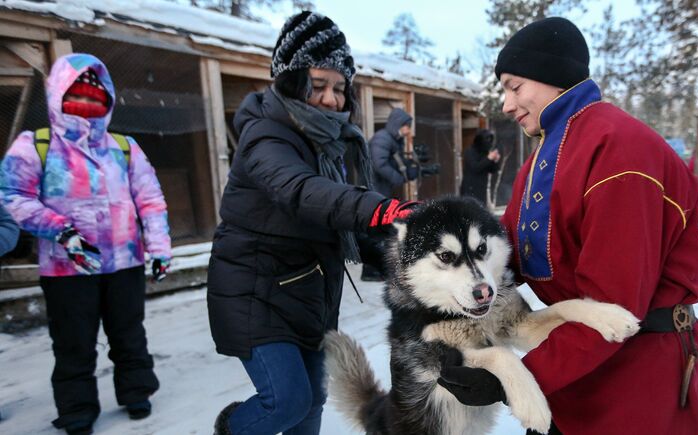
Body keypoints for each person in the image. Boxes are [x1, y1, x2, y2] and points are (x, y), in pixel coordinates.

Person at [437, 17, 698, 434]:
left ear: (552, 75)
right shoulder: (544, 158)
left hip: (636, 375)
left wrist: (512, 378)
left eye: (514, 86)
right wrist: (429, 259)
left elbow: (613, 305)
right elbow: (504, 252)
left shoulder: (620, 152)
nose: (507, 105)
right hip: (575, 365)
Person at [207, 12, 416, 435]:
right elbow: (301, 190)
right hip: (255, 289)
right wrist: (380, 208)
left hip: (309, 292)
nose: (331, 99)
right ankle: (232, 428)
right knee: (286, 402)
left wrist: (404, 242)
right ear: (289, 80)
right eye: (317, 85)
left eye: (339, 88)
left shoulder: (329, 143)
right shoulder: (265, 135)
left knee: (315, 397)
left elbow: (338, 219)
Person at [0, 53, 171, 435]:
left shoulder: (124, 147)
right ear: (58, 95)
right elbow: (13, 195)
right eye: (77, 96)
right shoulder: (35, 145)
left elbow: (150, 200)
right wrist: (63, 232)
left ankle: (137, 391)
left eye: (97, 98)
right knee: (74, 342)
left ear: (108, 100)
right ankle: (77, 410)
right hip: (67, 267)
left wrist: (159, 248)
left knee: (129, 334)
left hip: (125, 261)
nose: (88, 106)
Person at [362, 108, 417, 281]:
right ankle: (370, 270)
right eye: (407, 126)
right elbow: (379, 164)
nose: (408, 130)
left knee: (380, 227)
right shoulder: (382, 138)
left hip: (381, 187)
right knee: (374, 228)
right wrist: (398, 178)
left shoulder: (393, 139)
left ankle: (376, 267)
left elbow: (393, 161)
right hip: (374, 187)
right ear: (398, 125)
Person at [459, 129, 501, 207]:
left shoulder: (485, 153)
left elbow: (492, 170)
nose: (489, 143)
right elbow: (475, 167)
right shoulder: (469, 151)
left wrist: (495, 161)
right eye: (486, 139)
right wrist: (489, 158)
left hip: (481, 189)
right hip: (469, 189)